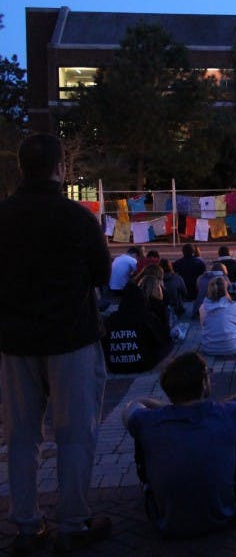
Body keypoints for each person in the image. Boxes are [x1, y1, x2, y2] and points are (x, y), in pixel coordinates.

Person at [0, 133, 113, 552]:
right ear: (59, 169)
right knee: (75, 433)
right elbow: (102, 275)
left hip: (14, 343)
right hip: (71, 340)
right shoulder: (77, 218)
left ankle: (27, 524)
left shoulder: (4, 216)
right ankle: (74, 521)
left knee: (22, 436)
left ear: (20, 169)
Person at [122, 352, 236, 538]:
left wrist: (167, 408)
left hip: (163, 521)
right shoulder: (225, 414)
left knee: (139, 429)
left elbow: (134, 404)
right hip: (224, 516)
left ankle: (150, 486)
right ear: (204, 383)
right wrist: (219, 406)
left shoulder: (150, 420)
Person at [102, 283, 173, 374]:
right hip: (143, 364)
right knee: (169, 343)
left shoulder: (111, 319)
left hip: (115, 366)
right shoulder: (146, 317)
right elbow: (163, 338)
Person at [199, 276, 236, 356]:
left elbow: (203, 326)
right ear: (225, 289)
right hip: (231, 347)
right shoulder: (234, 306)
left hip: (208, 348)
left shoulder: (203, 307)